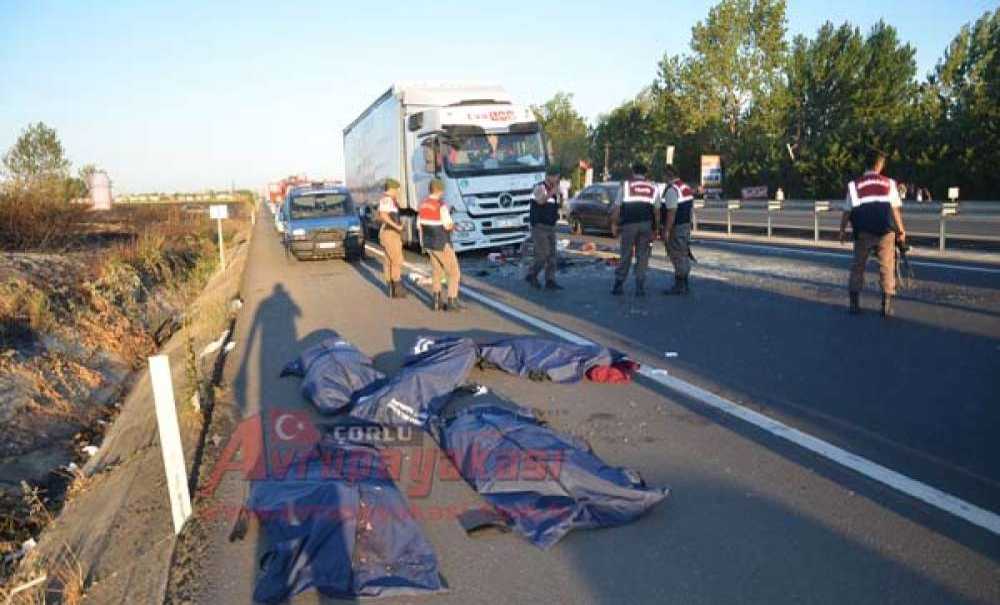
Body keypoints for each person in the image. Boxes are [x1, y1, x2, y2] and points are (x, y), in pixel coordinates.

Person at [838, 150, 907, 317]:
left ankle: (854, 303)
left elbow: (847, 211)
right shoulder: (889, 183)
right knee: (886, 266)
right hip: (885, 232)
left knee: (858, 266)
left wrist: (842, 230)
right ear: (879, 164)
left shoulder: (854, 185)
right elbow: (895, 210)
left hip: (862, 231)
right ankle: (886, 305)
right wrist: (901, 231)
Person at [610, 162, 660, 296]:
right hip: (646, 224)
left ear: (633, 172)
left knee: (626, 254)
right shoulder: (653, 187)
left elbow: (617, 208)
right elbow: (657, 211)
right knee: (643, 255)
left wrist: (614, 224)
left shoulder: (626, 186)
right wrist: (656, 229)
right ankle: (640, 286)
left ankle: (619, 284)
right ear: (646, 174)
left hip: (629, 225)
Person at [418, 178, 463, 311]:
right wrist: (455, 226)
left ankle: (436, 300)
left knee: (437, 271)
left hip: (428, 243)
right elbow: (448, 225)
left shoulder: (423, 205)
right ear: (440, 190)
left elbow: (419, 224)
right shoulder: (441, 206)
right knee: (453, 271)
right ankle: (452, 301)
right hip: (441, 242)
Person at [525, 166, 563, 290]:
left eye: (558, 177)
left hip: (551, 226)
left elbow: (556, 206)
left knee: (552, 255)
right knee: (542, 254)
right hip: (539, 226)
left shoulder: (554, 190)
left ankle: (550, 280)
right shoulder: (539, 187)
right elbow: (541, 201)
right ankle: (532, 274)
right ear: (549, 176)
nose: (557, 179)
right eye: (555, 177)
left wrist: (559, 195)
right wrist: (552, 192)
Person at [661, 165, 695, 295]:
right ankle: (684, 283)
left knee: (677, 254)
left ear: (668, 175)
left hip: (675, 227)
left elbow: (671, 212)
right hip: (685, 225)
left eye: (664, 175)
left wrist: (667, 230)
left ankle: (680, 285)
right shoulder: (685, 188)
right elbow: (690, 209)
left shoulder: (672, 190)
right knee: (683, 252)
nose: (663, 178)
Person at [377, 178, 406, 299]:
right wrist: (397, 226)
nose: (398, 192)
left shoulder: (390, 200)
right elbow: (383, 215)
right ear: (392, 189)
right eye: (397, 189)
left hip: (389, 232)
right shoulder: (387, 200)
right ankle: (397, 287)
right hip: (390, 233)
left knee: (389, 260)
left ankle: (390, 289)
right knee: (396, 259)